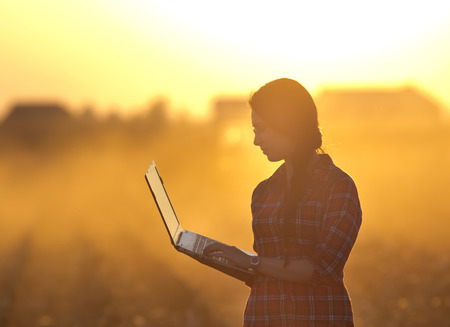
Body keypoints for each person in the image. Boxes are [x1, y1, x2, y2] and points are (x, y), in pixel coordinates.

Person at [203, 78, 362, 327]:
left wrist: (249, 261)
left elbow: (321, 269)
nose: (256, 141)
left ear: (287, 124)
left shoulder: (339, 188)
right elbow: (269, 267)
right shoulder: (263, 193)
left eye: (261, 129)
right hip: (264, 317)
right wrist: (230, 260)